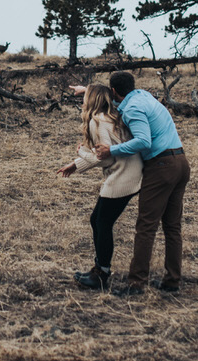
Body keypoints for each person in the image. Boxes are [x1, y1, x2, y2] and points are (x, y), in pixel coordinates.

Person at [93, 71, 190, 295]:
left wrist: (111, 149)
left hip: (161, 166)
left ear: (115, 91)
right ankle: (172, 281)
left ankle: (136, 283)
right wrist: (86, 90)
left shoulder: (133, 108)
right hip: (180, 162)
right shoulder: (144, 97)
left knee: (146, 226)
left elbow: (143, 141)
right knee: (172, 226)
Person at [57, 84, 143, 290]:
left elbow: (104, 158)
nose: (83, 100)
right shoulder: (109, 118)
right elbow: (103, 154)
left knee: (101, 222)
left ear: (91, 100)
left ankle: (101, 274)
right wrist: (76, 165)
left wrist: (81, 154)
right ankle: (100, 269)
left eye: (85, 96)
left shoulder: (97, 122)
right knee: (98, 220)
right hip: (130, 172)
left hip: (124, 177)